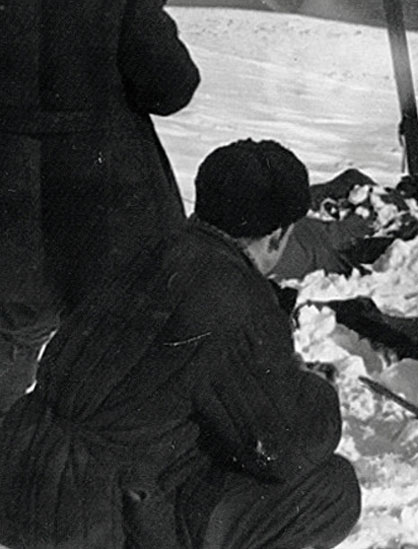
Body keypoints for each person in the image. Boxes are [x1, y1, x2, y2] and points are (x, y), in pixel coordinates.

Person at [0, 139, 361, 548]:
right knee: (331, 489)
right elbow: (282, 448)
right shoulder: (234, 294)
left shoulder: (144, 250)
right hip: (92, 516)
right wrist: (318, 392)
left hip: (21, 470)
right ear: (277, 236)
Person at [0, 0, 200, 414]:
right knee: (112, 352)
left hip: (11, 192)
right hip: (104, 201)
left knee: (10, 337)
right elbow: (171, 87)